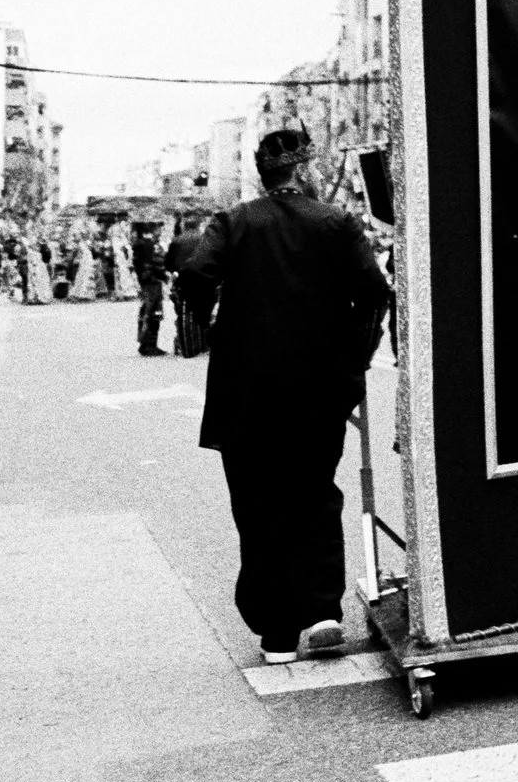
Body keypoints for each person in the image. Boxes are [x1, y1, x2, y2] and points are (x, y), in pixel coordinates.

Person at [178, 130, 391, 665]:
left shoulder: (235, 221)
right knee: (314, 494)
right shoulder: (336, 222)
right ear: (305, 168)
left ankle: (277, 633)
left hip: (245, 389)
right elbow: (374, 293)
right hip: (319, 386)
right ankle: (321, 612)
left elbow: (196, 273)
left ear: (263, 173)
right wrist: (358, 357)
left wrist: (204, 329)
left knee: (257, 504)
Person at [167, 216, 208, 356]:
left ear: (184, 226)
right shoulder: (205, 238)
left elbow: (169, 262)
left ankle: (183, 343)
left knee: (181, 310)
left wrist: (173, 271)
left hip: (182, 278)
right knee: (204, 309)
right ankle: (203, 342)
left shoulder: (176, 240)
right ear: (198, 225)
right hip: (202, 278)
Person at [134, 223, 168, 356]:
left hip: (145, 283)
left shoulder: (138, 245)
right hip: (154, 282)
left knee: (145, 312)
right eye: (160, 229)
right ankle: (150, 345)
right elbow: (158, 265)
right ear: (154, 230)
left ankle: (144, 343)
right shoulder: (153, 246)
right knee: (154, 313)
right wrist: (165, 276)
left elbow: (137, 265)